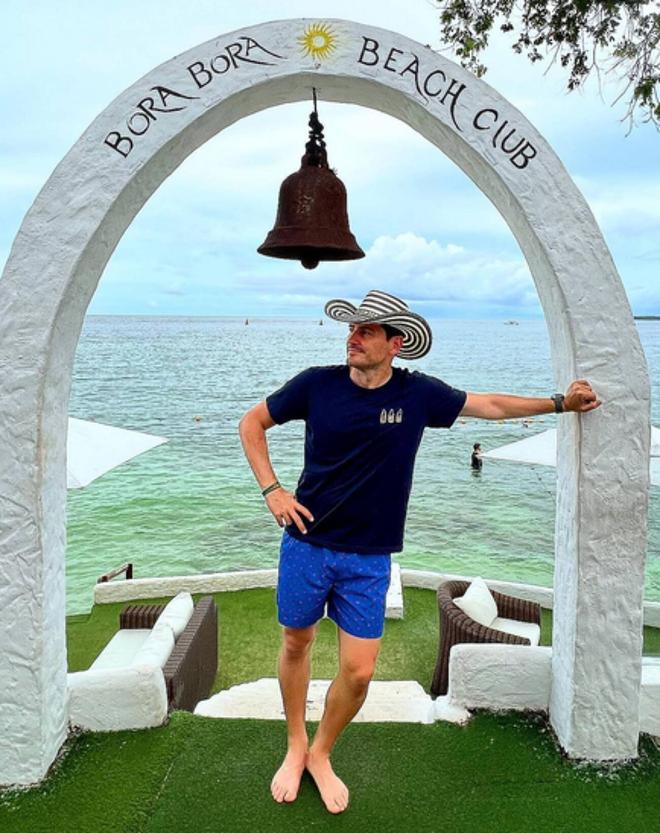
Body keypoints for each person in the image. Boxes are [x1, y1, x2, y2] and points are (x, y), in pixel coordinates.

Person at [238, 289, 601, 814]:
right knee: (297, 643)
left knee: (359, 671)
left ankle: (321, 752)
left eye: (366, 331)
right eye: (351, 329)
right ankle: (296, 743)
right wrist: (274, 491)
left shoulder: (417, 396)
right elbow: (252, 424)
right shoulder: (316, 385)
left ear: (396, 343)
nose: (352, 338)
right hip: (306, 545)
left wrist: (560, 403)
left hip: (369, 557)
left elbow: (490, 405)